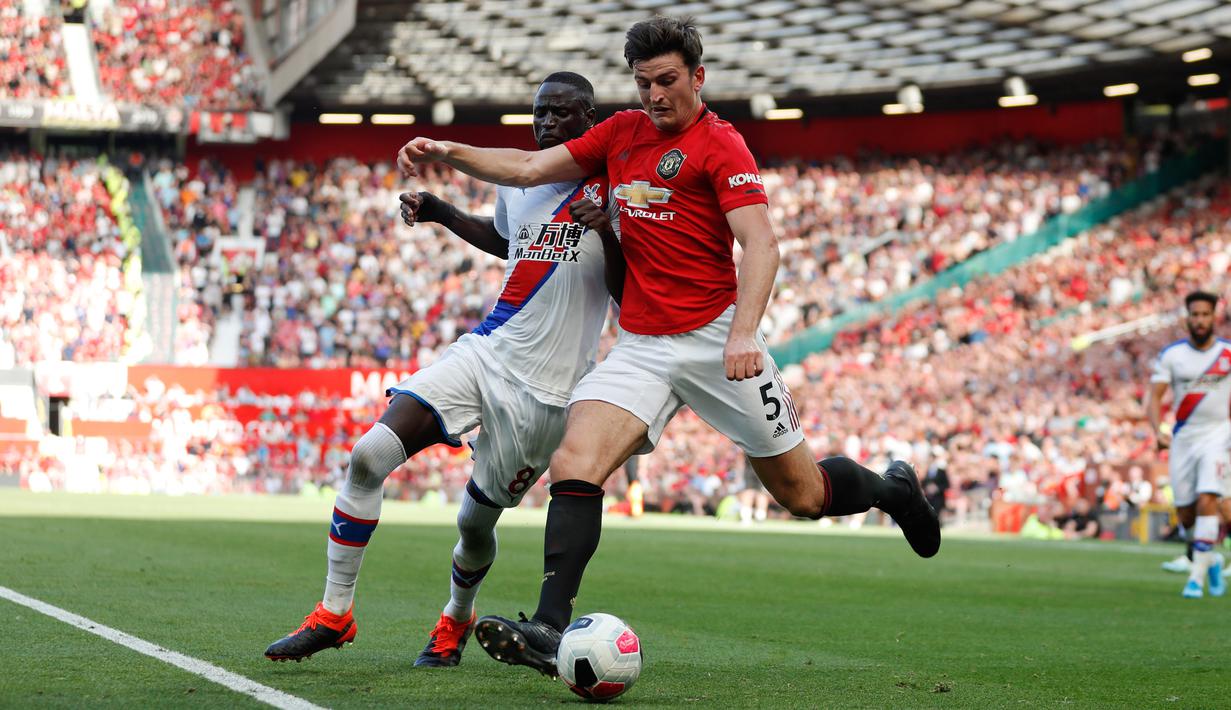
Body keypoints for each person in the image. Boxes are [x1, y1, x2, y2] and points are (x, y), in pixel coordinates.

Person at [396, 16, 940, 676]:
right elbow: (529, 167)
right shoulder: (619, 134)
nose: (655, 95)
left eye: (667, 81)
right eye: (643, 82)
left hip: (716, 340)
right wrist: (446, 151)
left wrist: (743, 332)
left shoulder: (721, 145)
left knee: (803, 497)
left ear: (697, 77)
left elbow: (761, 245)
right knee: (575, 461)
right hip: (643, 346)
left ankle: (893, 492)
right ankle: (547, 626)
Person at [264, 72, 625, 664]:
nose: (545, 124)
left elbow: (625, 291)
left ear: (591, 119)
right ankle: (334, 612)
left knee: (475, 524)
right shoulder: (520, 182)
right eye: (538, 113)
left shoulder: (616, 191)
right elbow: (511, 242)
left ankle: (456, 619)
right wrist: (440, 210)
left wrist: (606, 228)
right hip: (485, 351)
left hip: (547, 397)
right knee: (368, 455)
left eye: (560, 113)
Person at [1147, 291, 1229, 598]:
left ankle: (1195, 580)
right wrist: (1157, 430)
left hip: (1217, 435)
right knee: (1185, 515)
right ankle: (1211, 559)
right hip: (1183, 438)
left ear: (1213, 317)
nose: (1199, 320)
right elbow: (1153, 398)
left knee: (1208, 497)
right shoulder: (1172, 355)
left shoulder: (1227, 354)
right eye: (1194, 315)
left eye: (1205, 314)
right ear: (1187, 318)